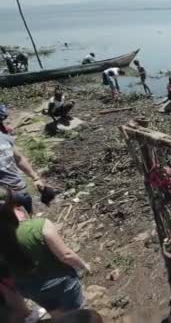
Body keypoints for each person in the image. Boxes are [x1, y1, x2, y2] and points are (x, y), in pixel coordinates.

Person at [0, 185, 90, 319]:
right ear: (13, 203)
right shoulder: (39, 225)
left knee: (55, 313)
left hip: (29, 288)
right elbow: (66, 255)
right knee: (77, 313)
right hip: (62, 283)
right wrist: (84, 265)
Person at [0, 130, 46, 214]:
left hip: (18, 188)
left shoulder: (4, 137)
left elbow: (19, 159)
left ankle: (30, 216)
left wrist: (35, 178)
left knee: (28, 212)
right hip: (2, 197)